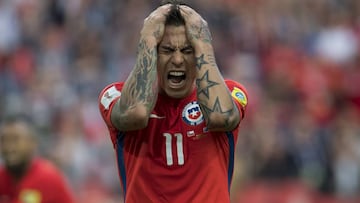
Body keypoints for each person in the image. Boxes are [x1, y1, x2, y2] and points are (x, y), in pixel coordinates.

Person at [98, 1, 248, 202]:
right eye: (167, 50)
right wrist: (148, 38)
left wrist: (203, 42)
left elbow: (220, 116)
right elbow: (137, 114)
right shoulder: (115, 95)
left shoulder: (229, 92)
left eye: (187, 51)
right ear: (151, 54)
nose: (178, 60)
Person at [0, 117, 74, 203]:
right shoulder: (3, 177)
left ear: (33, 143)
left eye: (15, 139)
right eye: (3, 140)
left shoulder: (46, 178)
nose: (9, 147)